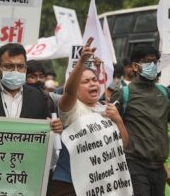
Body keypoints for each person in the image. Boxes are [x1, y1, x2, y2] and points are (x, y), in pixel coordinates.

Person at [50, 37, 130, 196]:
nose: (93, 84)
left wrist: (119, 121)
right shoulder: (71, 108)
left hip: (98, 185)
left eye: (94, 80)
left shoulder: (106, 109)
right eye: (85, 82)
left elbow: (123, 146)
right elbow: (69, 92)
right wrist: (81, 63)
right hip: (69, 184)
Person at [110, 45, 170, 196]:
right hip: (135, 166)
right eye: (147, 62)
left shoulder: (165, 93)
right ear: (135, 66)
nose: (152, 66)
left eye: (155, 62)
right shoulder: (123, 94)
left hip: (159, 169)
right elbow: (108, 129)